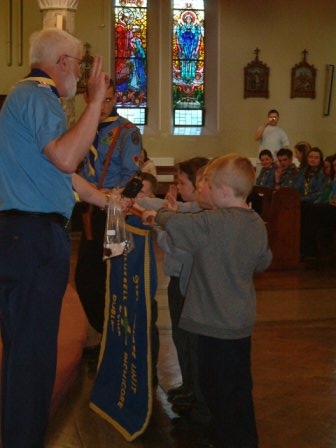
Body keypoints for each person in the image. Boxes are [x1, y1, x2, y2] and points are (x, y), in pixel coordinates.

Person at [0, 28, 109, 448]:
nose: (80, 75)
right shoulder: (39, 96)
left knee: (22, 352)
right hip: (33, 240)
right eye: (79, 65)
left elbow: (61, 174)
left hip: (17, 237)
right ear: (62, 62)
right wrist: (95, 101)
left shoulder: (21, 98)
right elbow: (66, 157)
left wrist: (106, 201)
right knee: (33, 358)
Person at [153, 154, 272, 448]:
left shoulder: (211, 222)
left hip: (211, 325)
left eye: (211, 185)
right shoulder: (256, 222)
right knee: (238, 389)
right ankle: (242, 439)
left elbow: (176, 225)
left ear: (224, 191)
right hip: (239, 325)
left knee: (215, 388)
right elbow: (264, 261)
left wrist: (158, 215)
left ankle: (229, 439)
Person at [75, 78, 142, 361]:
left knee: (111, 279)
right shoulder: (82, 130)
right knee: (85, 279)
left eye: (108, 99)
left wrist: (111, 196)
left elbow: (132, 177)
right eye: (97, 98)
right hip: (87, 211)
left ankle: (111, 339)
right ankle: (102, 330)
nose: (103, 105)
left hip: (112, 213)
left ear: (116, 100)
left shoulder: (127, 132)